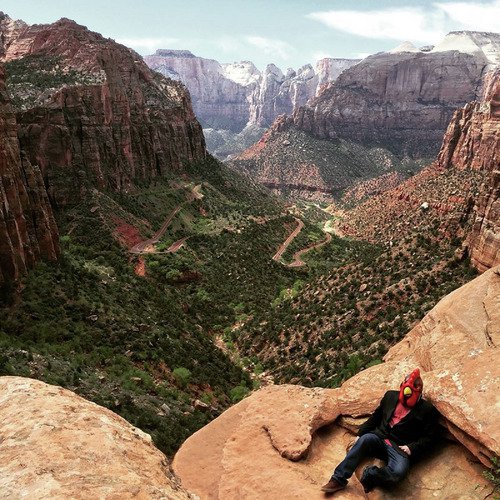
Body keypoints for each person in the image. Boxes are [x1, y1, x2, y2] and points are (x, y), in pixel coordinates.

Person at [321, 368, 439, 494]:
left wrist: (411, 448)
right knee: (365, 439)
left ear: (419, 392)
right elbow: (375, 417)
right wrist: (360, 435)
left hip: (398, 447)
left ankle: (371, 474)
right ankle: (338, 479)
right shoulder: (390, 396)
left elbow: (431, 438)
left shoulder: (427, 410)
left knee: (398, 472)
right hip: (379, 437)